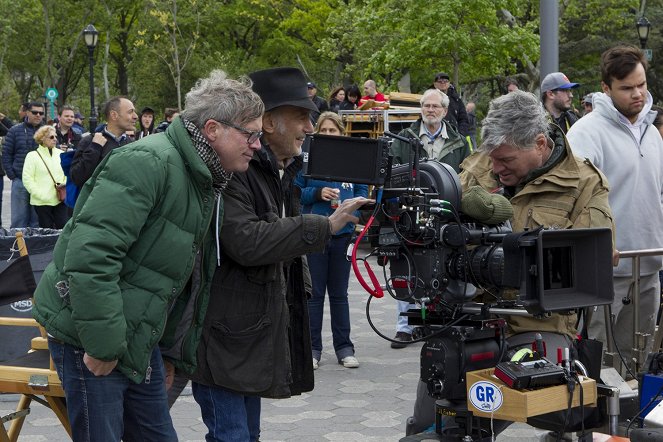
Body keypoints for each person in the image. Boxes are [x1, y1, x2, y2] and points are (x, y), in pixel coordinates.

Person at [32, 70, 266, 442]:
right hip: (90, 333)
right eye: (250, 134)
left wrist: (168, 349)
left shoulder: (202, 174)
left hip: (137, 335)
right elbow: (90, 256)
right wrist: (103, 344)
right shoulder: (148, 161)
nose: (257, 145)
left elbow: (179, 278)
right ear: (211, 129)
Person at [406, 90, 615, 436]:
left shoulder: (584, 183)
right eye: (492, 158)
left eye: (506, 159)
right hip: (468, 321)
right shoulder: (482, 163)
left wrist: (520, 255)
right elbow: (436, 225)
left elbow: (593, 261)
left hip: (538, 328)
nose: (497, 167)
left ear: (539, 144)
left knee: (485, 418)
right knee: (429, 426)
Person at [190, 66, 371, 442]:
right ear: (269, 122)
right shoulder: (232, 168)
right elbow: (247, 241)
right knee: (234, 437)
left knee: (246, 436)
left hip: (244, 335)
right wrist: (325, 226)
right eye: (302, 117)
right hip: (222, 336)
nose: (310, 127)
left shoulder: (279, 169)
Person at [567, 44, 663, 364]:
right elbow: (573, 200)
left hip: (650, 265)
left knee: (640, 362)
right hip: (606, 272)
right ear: (606, 89)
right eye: (627, 88)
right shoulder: (586, 132)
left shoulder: (652, 132)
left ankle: (633, 414)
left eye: (642, 84)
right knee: (602, 365)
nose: (637, 94)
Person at [389, 88, 472, 348]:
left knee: (443, 266)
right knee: (406, 266)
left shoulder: (460, 141)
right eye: (426, 106)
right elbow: (393, 171)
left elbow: (468, 176)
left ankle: (436, 323)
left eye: (435, 106)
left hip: (447, 213)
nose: (430, 110)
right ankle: (405, 327)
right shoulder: (404, 138)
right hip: (411, 211)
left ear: (445, 111)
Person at [294, 111, 368, 369]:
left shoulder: (351, 160)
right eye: (323, 131)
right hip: (314, 233)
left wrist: (353, 214)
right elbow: (295, 192)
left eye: (332, 131)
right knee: (313, 295)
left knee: (339, 294)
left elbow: (362, 191)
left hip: (343, 237)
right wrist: (317, 192)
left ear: (341, 133)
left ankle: (344, 348)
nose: (327, 135)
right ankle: (312, 350)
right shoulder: (308, 158)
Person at [70, 97, 137, 187]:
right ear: (114, 115)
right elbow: (77, 178)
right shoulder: (90, 141)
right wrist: (95, 148)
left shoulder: (132, 144)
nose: (135, 116)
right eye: (130, 112)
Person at [2, 101, 44, 228]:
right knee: (18, 220)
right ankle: (17, 247)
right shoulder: (15, 130)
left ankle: (35, 247)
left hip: (40, 182)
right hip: (20, 181)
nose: (38, 115)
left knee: (36, 221)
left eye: (41, 113)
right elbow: (6, 154)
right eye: (34, 112)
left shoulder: (47, 132)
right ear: (27, 113)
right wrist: (12, 175)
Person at [21, 125, 67, 228]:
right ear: (42, 138)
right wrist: (39, 194)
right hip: (42, 202)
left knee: (63, 227)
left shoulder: (61, 154)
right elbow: (27, 178)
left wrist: (65, 186)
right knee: (46, 231)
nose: (55, 139)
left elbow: (66, 174)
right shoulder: (32, 156)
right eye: (51, 137)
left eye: (56, 136)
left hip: (60, 199)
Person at [432, 72, 470, 136]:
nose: (443, 83)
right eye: (440, 81)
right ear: (435, 84)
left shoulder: (456, 100)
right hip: (435, 135)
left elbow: (463, 119)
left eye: (445, 81)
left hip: (455, 136)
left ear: (449, 83)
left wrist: (461, 135)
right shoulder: (429, 99)